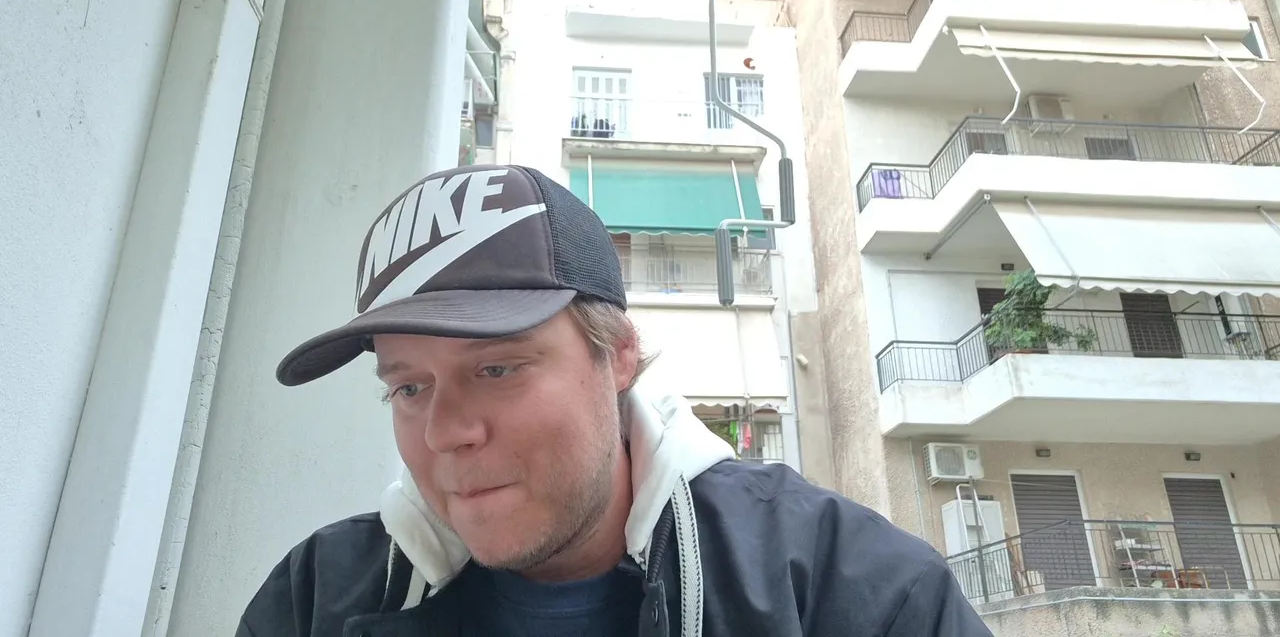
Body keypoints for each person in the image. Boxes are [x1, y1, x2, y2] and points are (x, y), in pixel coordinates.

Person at [237, 164, 994, 636]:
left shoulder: (842, 588)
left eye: (496, 368)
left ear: (619, 355)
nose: (445, 433)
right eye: (408, 386)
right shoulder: (318, 598)